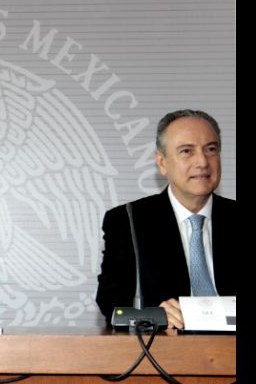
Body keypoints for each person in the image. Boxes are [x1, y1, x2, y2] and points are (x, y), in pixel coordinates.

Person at [96, 109, 236, 329]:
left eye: (211, 149)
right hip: (168, 350)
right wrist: (156, 315)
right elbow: (110, 301)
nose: (202, 162)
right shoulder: (129, 220)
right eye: (187, 151)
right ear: (162, 162)